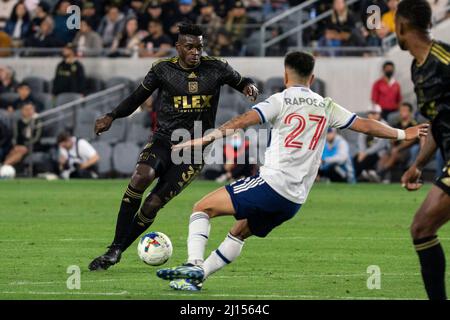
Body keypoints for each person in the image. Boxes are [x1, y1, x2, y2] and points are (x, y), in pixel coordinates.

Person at [155, 51, 428, 291]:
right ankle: (197, 278)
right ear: (312, 78)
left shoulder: (280, 100)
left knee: (202, 208)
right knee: (238, 232)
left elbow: (244, 121)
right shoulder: (326, 105)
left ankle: (193, 263)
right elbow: (366, 125)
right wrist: (404, 133)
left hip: (272, 185)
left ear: (286, 76)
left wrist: (206, 138)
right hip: (294, 201)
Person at [88, 23, 259, 271]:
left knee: (153, 204)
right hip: (164, 140)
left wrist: (249, 87)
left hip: (196, 149)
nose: (196, 52)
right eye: (190, 47)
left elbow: (243, 81)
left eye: (199, 47)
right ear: (178, 47)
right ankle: (114, 247)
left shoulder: (217, 68)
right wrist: (111, 116)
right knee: (140, 177)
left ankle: (117, 250)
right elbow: (137, 97)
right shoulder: (162, 70)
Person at [396, 0, 450, 300]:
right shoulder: (418, 68)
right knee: (422, 229)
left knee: (422, 226)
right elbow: (436, 122)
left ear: (401, 25)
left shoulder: (444, 57)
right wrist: (417, 164)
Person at [379, 102, 420, 176]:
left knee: (394, 153)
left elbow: (412, 140)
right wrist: (392, 142)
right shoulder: (396, 124)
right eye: (401, 110)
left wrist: (397, 148)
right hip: (395, 148)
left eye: (405, 110)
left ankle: (381, 173)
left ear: (410, 112)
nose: (402, 112)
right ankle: (378, 172)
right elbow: (391, 137)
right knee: (385, 154)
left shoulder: (414, 125)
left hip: (408, 150)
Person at [353, 107, 389, 182]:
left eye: (374, 113)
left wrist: (365, 153)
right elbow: (361, 139)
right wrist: (362, 152)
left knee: (367, 159)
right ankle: (364, 175)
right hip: (366, 151)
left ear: (379, 114)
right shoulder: (366, 123)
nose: (372, 115)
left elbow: (380, 145)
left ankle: (368, 175)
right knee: (355, 158)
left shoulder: (385, 125)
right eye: (370, 113)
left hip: (380, 152)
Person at [2, 101, 42, 168]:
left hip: (34, 145)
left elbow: (37, 138)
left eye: (31, 109)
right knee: (14, 151)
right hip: (20, 146)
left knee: (22, 151)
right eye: (26, 109)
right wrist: (16, 145)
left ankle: (3, 166)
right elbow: (15, 136)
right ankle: (5, 168)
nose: (29, 111)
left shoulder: (37, 121)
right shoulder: (18, 122)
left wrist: (26, 146)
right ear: (22, 111)